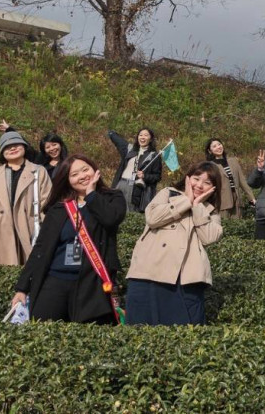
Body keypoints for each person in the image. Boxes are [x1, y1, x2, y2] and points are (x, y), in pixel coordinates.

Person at [11, 154, 127, 324]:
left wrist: (91, 195)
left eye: (85, 170)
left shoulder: (112, 198)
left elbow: (111, 219)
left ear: (95, 170)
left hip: (93, 282)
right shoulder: (59, 208)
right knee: (44, 332)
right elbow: (40, 249)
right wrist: (22, 288)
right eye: (74, 175)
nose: (82, 176)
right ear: (67, 180)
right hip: (54, 281)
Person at [125, 161, 223, 325]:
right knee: (140, 330)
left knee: (184, 334)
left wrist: (197, 205)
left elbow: (209, 237)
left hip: (185, 279)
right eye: (196, 179)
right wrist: (186, 200)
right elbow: (152, 218)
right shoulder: (168, 193)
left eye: (207, 183)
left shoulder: (211, 210)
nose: (199, 185)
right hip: (149, 272)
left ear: (213, 187)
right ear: (187, 178)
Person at [0, 130, 53, 266]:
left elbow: (47, 203)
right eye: (7, 147)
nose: (12, 148)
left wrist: (48, 232)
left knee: (30, 274)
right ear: (2, 152)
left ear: (25, 147)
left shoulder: (38, 171)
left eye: (16, 144)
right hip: (0, 232)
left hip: (29, 230)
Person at [109, 127, 163, 213]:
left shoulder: (154, 156)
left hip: (135, 188)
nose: (142, 137)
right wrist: (111, 132)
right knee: (115, 209)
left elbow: (157, 176)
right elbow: (118, 141)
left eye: (146, 135)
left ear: (151, 139)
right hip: (121, 184)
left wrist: (145, 176)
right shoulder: (130, 149)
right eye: (140, 135)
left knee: (130, 212)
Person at [0, 118, 67, 179]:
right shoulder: (40, 161)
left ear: (60, 144)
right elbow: (27, 146)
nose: (52, 149)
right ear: (44, 150)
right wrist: (10, 129)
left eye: (54, 145)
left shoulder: (68, 163)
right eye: (47, 147)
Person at [204, 138, 254, 218]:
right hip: (222, 202)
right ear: (210, 151)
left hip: (237, 200)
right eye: (214, 146)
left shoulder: (233, 161)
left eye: (219, 144)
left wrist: (251, 197)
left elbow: (242, 181)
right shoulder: (210, 166)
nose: (218, 147)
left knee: (237, 226)